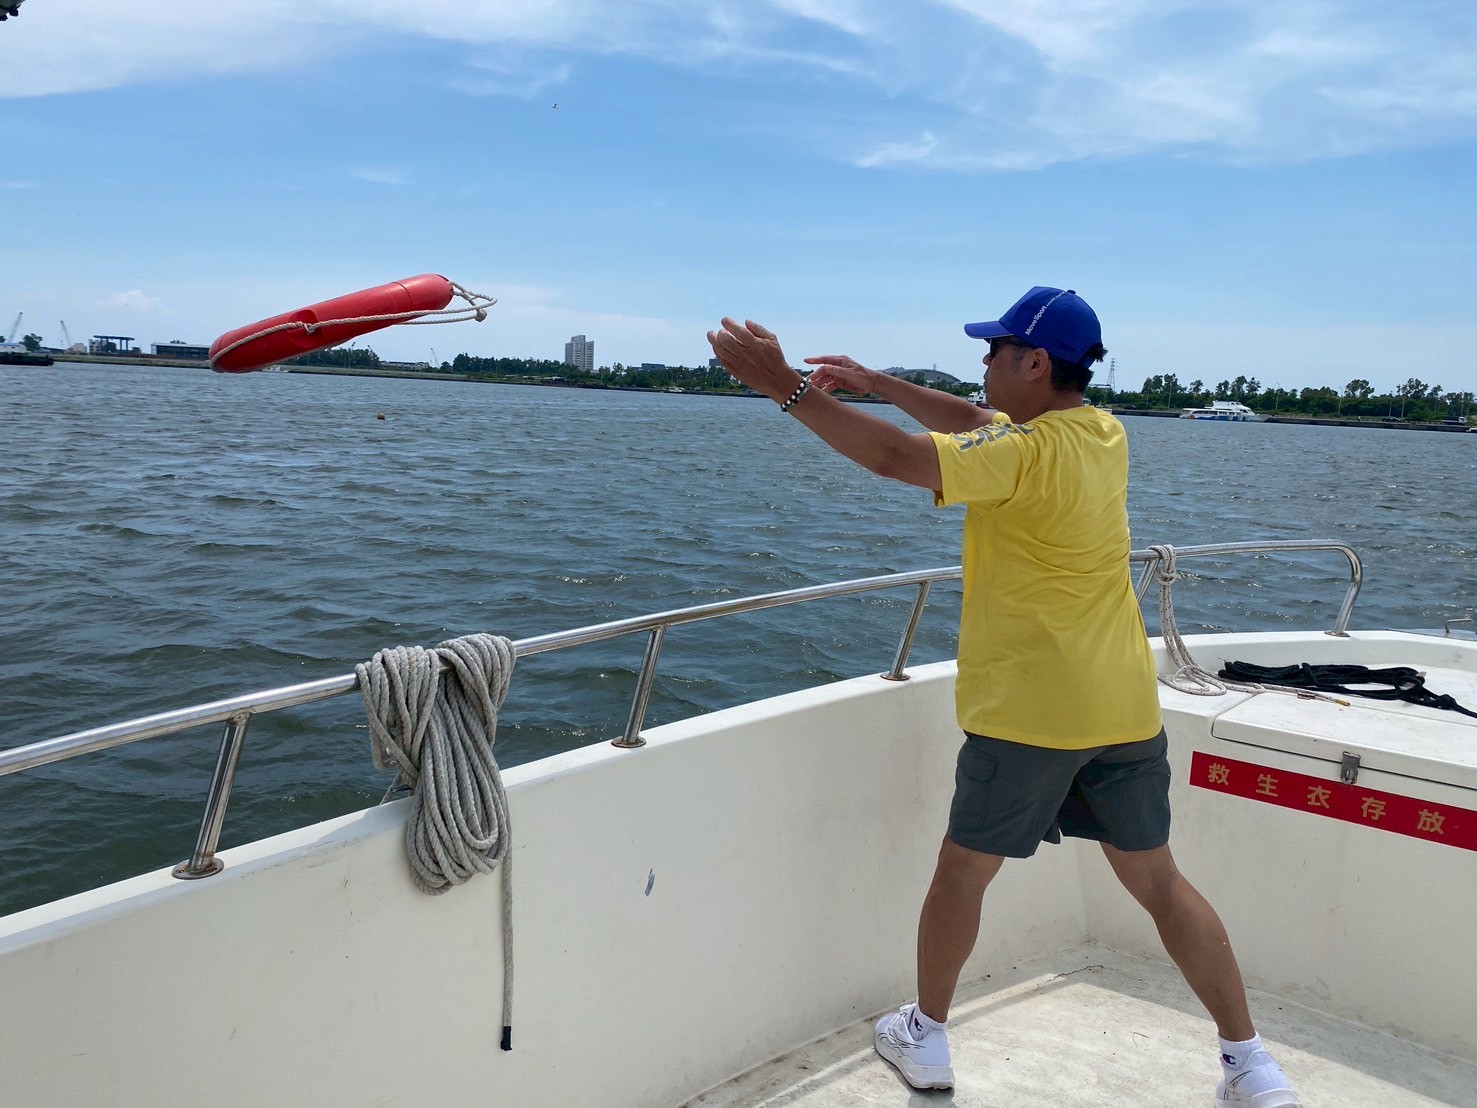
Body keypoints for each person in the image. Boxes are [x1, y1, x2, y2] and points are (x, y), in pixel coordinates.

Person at [706, 287, 1300, 1107]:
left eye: (994, 350)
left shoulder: (1019, 456)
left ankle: (925, 1035)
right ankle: (1249, 1064)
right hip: (1121, 709)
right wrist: (877, 382)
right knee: (1160, 883)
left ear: (1033, 362)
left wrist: (784, 386)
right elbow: (973, 420)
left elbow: (895, 459)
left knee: (961, 875)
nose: (982, 362)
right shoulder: (1100, 433)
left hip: (1031, 713)